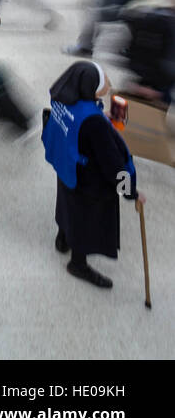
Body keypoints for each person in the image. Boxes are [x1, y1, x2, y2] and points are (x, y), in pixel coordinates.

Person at [44, 62, 143, 289]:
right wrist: (131, 192)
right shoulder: (94, 123)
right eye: (105, 81)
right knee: (87, 219)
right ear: (90, 85)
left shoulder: (63, 97)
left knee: (67, 204)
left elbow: (77, 121)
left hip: (66, 166)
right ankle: (77, 264)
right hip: (88, 181)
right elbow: (113, 165)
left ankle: (62, 239)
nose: (109, 85)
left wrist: (100, 116)